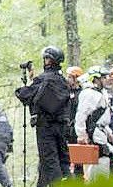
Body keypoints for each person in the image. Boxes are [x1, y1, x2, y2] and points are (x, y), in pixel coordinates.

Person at [14, 46, 71, 187]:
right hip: (62, 127)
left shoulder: (43, 79)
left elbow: (25, 94)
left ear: (48, 60)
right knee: (63, 160)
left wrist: (22, 88)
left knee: (50, 161)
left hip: (46, 128)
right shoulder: (63, 81)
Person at [74, 66, 113, 179]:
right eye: (104, 77)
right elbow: (81, 116)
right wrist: (81, 135)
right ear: (96, 79)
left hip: (101, 132)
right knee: (100, 160)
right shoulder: (89, 94)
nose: (107, 79)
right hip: (94, 134)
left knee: (106, 159)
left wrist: (108, 132)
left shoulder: (101, 93)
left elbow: (102, 119)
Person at [65, 66, 84, 178]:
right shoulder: (66, 92)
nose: (67, 79)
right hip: (66, 130)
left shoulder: (82, 94)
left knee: (79, 162)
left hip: (76, 132)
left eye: (70, 77)